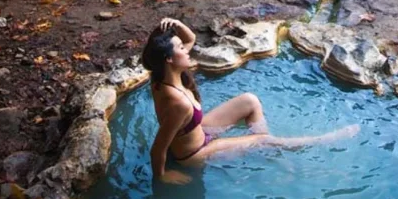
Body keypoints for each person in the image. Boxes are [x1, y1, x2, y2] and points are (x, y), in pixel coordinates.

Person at [142, 17, 360, 185]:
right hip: (194, 154)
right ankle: (320, 140)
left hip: (199, 132)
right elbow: (158, 147)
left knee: (249, 101)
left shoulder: (162, 74)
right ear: (169, 59)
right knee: (263, 141)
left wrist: (175, 25)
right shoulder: (176, 102)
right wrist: (162, 176)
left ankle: (266, 146)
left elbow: (189, 39)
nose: (187, 49)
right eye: (180, 48)